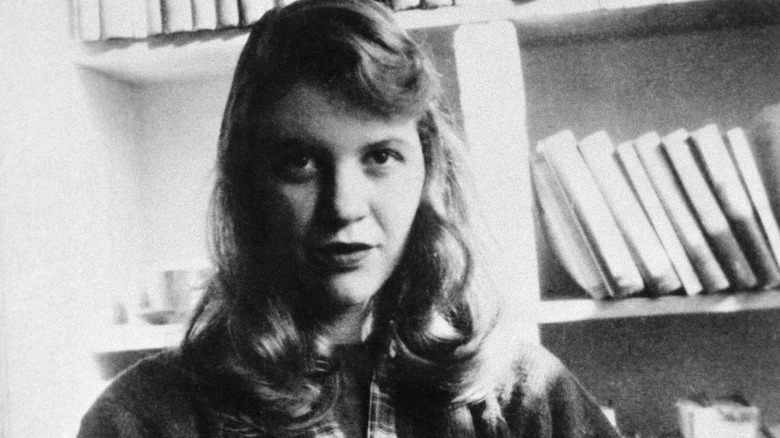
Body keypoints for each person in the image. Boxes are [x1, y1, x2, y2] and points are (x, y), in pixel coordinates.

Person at [78, 1, 621, 437]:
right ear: (246, 186)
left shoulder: (525, 397)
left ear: (427, 172)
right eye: (299, 163)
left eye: (380, 157)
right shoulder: (140, 420)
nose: (344, 205)